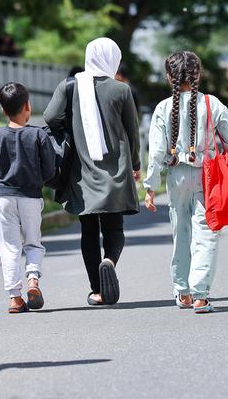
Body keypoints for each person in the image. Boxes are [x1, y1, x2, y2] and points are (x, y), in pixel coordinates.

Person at [44, 37, 140, 306]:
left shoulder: (70, 86)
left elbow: (51, 117)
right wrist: (135, 165)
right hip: (115, 171)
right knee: (114, 225)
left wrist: (73, 124)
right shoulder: (122, 90)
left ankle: (97, 290)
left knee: (88, 230)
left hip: (82, 171)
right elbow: (132, 133)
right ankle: (109, 260)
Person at [142, 51, 228, 314]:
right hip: (206, 175)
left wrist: (150, 187)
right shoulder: (212, 103)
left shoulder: (163, 108)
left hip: (176, 177)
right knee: (206, 233)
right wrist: (226, 158)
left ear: (168, 76)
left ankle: (182, 291)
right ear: (198, 75)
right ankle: (200, 294)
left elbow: (156, 152)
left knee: (181, 232)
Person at [0, 82, 56, 313]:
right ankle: (33, 280)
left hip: (4, 198)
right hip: (31, 196)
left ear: (2, 108)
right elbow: (49, 170)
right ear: (28, 105)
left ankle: (15, 298)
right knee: (32, 242)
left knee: (9, 246)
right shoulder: (38, 135)